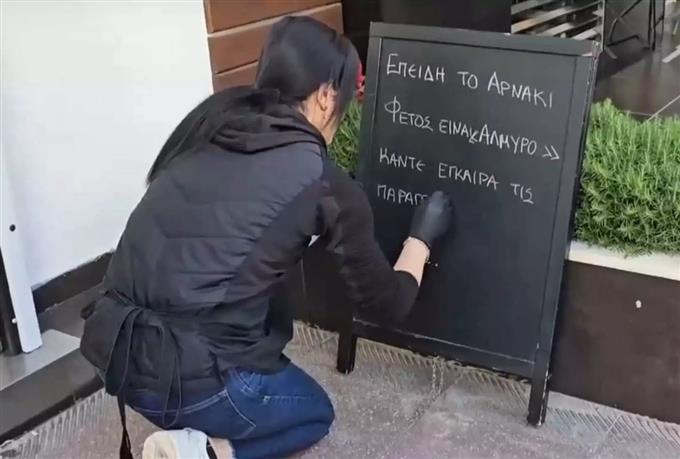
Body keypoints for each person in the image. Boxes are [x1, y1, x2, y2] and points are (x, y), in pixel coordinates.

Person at [80, 16, 452, 459]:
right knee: (314, 413)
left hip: (116, 357)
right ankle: (203, 450)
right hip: (191, 382)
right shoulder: (320, 180)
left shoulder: (208, 128)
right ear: (325, 95)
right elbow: (387, 302)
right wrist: (421, 238)